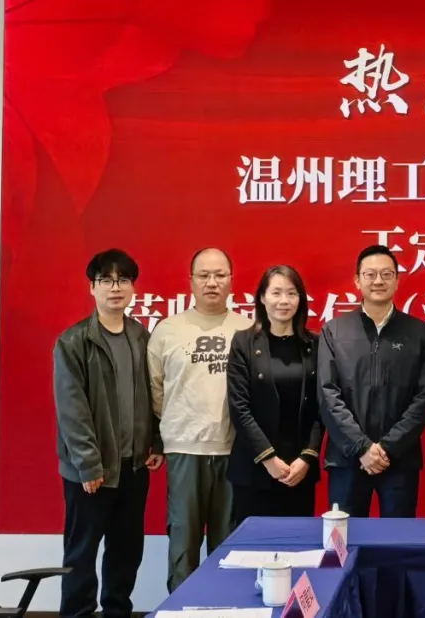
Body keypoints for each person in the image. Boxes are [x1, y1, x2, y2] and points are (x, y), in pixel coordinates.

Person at [53, 249, 163, 618]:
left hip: (133, 467)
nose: (115, 288)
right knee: (81, 554)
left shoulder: (141, 336)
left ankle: (117, 612)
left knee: (126, 551)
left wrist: (156, 442)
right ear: (92, 288)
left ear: (133, 287)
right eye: (106, 281)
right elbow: (72, 410)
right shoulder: (74, 341)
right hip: (91, 473)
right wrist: (89, 465)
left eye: (123, 280)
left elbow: (154, 394)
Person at [148, 248, 252, 592]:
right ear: (190, 281)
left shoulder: (247, 329)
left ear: (231, 281)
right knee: (183, 543)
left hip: (235, 452)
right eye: (204, 275)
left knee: (230, 545)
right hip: (185, 450)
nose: (212, 282)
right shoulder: (168, 330)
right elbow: (155, 389)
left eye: (220, 275)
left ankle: (229, 607)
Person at [318, 245, 425, 517]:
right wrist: (362, 447)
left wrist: (386, 448)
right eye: (370, 274)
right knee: (344, 537)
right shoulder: (335, 330)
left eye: (386, 274)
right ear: (357, 280)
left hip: (399, 459)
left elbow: (423, 398)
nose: (378, 281)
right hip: (347, 458)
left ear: (397, 280)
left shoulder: (419, 333)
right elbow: (328, 394)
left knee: (398, 538)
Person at [227, 265, 324, 524]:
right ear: (262, 297)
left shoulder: (314, 344)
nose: (284, 301)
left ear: (300, 299)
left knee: (297, 542)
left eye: (292, 293)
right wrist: (268, 458)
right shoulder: (244, 343)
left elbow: (321, 407)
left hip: (299, 470)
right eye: (276, 293)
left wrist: (307, 457)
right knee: (253, 543)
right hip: (255, 467)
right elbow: (239, 407)